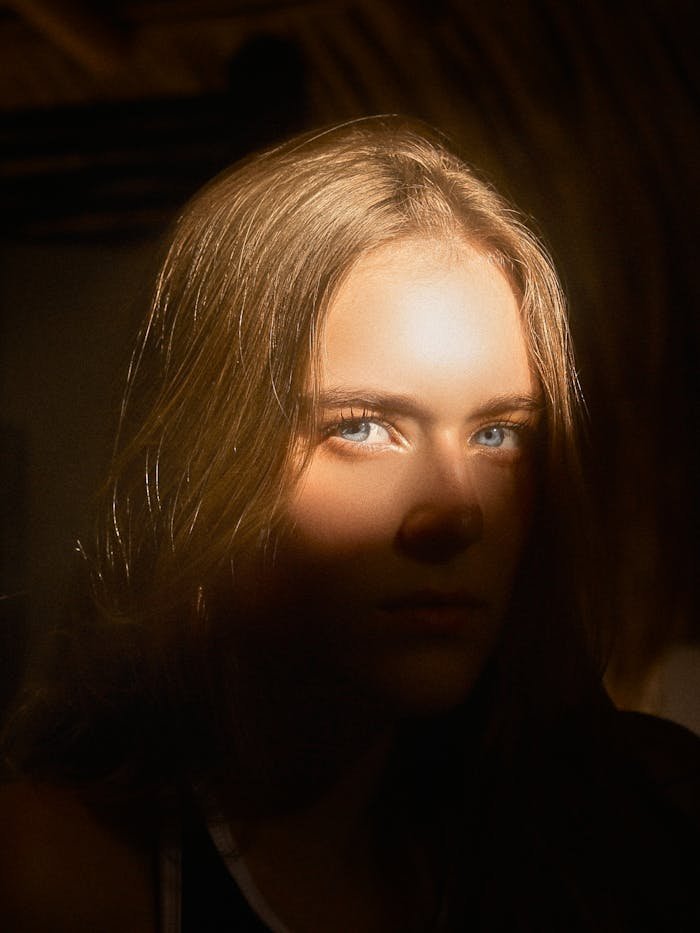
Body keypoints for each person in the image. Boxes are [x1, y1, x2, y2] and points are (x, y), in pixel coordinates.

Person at [1, 115, 698, 932]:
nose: (456, 509)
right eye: (362, 426)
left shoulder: (640, 833)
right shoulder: (56, 876)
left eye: (498, 432)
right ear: (200, 460)